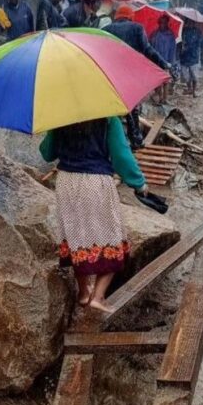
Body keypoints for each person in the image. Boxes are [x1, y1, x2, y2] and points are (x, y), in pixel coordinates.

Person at [39, 118, 148, 312]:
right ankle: (98, 296)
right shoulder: (108, 119)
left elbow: (47, 153)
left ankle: (83, 293)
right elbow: (121, 156)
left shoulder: (60, 116)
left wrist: (52, 129)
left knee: (76, 237)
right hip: (95, 182)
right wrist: (138, 182)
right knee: (113, 238)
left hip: (66, 182)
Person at [104, 5, 172, 149]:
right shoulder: (136, 28)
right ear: (130, 16)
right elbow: (147, 50)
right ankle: (135, 141)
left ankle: (111, 143)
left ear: (117, 17)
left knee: (113, 109)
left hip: (112, 76)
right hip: (130, 75)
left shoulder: (106, 30)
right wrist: (163, 63)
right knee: (132, 107)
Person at [150, 14, 176, 104]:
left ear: (167, 23)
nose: (162, 25)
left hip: (166, 61)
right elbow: (150, 47)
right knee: (158, 81)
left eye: (164, 23)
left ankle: (165, 98)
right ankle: (159, 97)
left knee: (165, 80)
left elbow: (172, 49)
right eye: (160, 23)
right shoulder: (154, 34)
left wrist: (171, 62)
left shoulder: (171, 35)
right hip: (156, 60)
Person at [178, 20, 201, 97]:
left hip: (193, 56)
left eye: (192, 22)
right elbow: (180, 42)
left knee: (194, 75)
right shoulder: (183, 31)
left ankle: (194, 91)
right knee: (185, 75)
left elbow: (198, 44)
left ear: (194, 23)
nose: (190, 24)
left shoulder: (197, 32)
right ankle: (189, 88)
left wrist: (189, 47)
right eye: (189, 22)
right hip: (184, 56)